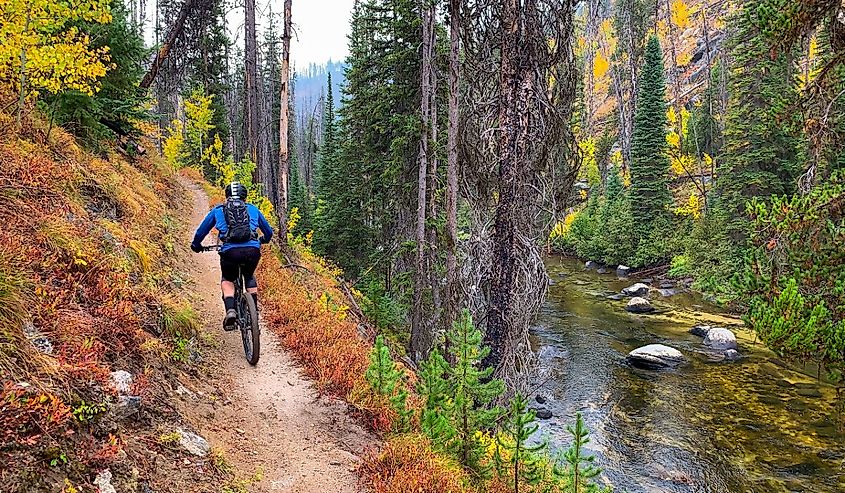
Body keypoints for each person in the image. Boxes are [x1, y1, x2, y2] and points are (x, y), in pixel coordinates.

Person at [191, 182, 274, 330]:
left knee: (228, 278)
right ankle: (253, 311)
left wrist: (196, 245)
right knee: (249, 276)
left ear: (227, 195)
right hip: (252, 251)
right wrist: (263, 240)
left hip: (230, 252)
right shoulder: (253, 209)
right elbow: (268, 232)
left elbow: (201, 232)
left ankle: (230, 310)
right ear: (244, 197)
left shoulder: (218, 211)